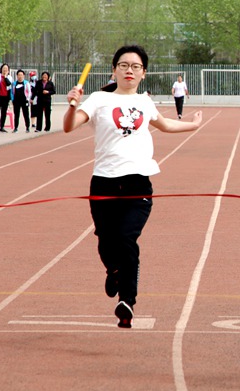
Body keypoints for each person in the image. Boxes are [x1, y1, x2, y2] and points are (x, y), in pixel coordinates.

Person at [63, 45, 203, 328]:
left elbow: (165, 125)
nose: (130, 70)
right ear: (114, 70)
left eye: (135, 66)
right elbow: (69, 126)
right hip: (104, 181)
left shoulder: (144, 101)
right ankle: (113, 270)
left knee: (126, 238)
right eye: (124, 65)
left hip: (138, 182)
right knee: (105, 240)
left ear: (143, 73)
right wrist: (72, 105)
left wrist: (193, 125)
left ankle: (127, 300)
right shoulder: (99, 99)